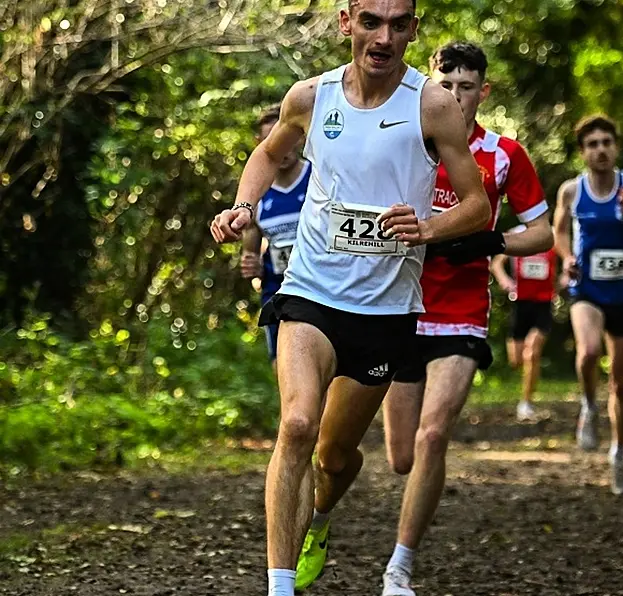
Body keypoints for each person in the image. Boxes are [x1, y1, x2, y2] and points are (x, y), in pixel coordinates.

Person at [210, 1, 492, 594]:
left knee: (335, 458)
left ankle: (320, 518)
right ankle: (280, 586)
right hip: (310, 293)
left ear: (413, 30)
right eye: (371, 21)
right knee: (296, 423)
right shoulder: (311, 98)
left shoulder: (432, 106)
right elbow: (268, 154)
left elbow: (476, 205)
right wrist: (244, 205)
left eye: (397, 24)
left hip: (386, 311)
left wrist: (429, 228)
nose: (383, 36)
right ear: (346, 24)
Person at [379, 41, 553, 596]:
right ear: (433, 83)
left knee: (433, 437)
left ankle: (399, 568)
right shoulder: (401, 139)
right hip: (398, 305)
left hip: (461, 313)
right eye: (446, 84)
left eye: (467, 86)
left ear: (485, 90)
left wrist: (491, 240)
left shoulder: (504, 154)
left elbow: (543, 232)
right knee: (402, 457)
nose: (456, 96)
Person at [552, 114, 623, 495]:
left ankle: (619, 452)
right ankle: (587, 407)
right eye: (592, 144)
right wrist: (565, 257)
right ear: (582, 152)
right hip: (588, 289)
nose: (600, 150)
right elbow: (559, 231)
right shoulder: (571, 190)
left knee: (621, 381)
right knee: (588, 351)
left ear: (616, 148)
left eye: (606, 143)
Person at [239, 104, 311, 371]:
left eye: (286, 139)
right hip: (277, 295)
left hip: (321, 291)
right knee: (284, 371)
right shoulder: (256, 192)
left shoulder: (318, 178)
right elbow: (251, 253)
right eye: (271, 140)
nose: (280, 147)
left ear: (300, 137)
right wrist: (251, 266)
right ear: (260, 144)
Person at [491, 223, 558, 421]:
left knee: (532, 352)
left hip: (544, 303)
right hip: (521, 303)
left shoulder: (550, 234)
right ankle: (525, 390)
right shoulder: (515, 234)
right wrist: (505, 281)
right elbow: (496, 263)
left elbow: (569, 255)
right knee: (516, 359)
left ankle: (526, 403)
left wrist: (564, 279)